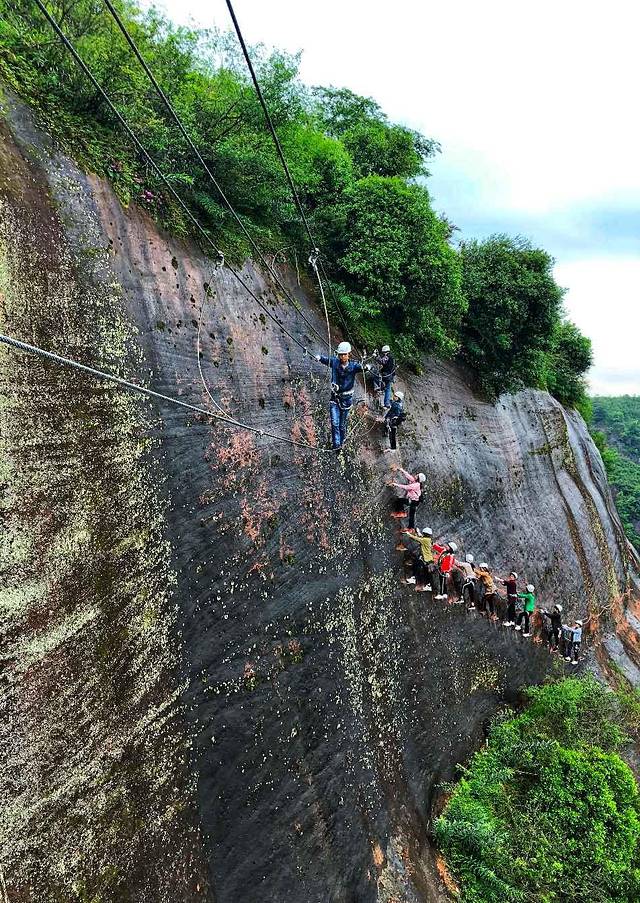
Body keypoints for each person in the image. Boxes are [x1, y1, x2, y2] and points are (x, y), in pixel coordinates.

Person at [315, 341, 365, 450]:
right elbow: (326, 360)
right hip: (335, 398)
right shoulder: (335, 362)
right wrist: (319, 357)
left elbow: (362, 367)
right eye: (340, 354)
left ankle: (341, 442)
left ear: (349, 354)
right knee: (334, 422)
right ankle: (336, 445)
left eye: (344, 354)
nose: (342, 356)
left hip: (346, 400)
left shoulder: (354, 366)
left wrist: (367, 367)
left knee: (342, 425)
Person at [388, 467, 426, 531]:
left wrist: (395, 484)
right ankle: (411, 528)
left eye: (417, 475)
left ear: (418, 478)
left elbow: (407, 487)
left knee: (399, 500)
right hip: (414, 501)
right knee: (411, 515)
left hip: (413, 501)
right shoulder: (414, 481)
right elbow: (408, 476)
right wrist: (401, 470)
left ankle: (401, 512)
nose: (415, 475)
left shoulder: (416, 485)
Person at [403, 527, 434, 591]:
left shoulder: (425, 540)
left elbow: (417, 539)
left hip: (425, 559)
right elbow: (421, 537)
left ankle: (414, 577)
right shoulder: (429, 540)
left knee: (416, 565)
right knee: (426, 572)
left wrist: (408, 534)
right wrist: (418, 532)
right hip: (429, 559)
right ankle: (428, 584)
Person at [372, 344, 396, 409]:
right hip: (391, 376)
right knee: (388, 389)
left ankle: (379, 387)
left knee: (375, 376)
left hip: (386, 375)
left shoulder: (387, 356)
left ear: (385, 352)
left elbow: (382, 361)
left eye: (383, 353)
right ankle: (387, 404)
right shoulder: (392, 357)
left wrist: (375, 357)